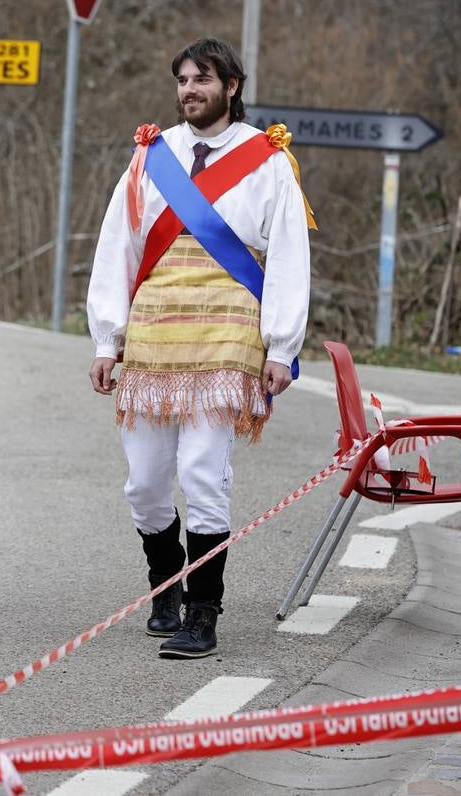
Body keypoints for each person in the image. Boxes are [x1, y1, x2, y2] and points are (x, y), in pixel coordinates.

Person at [86, 37, 312, 659]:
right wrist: (108, 338)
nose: (190, 90)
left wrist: (280, 345)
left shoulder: (266, 160)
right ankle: (165, 587)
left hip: (229, 327)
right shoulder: (150, 157)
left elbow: (290, 254)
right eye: (183, 80)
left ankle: (202, 611)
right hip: (155, 326)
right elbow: (118, 247)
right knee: (145, 483)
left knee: (202, 471)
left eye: (203, 80)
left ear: (231, 86)